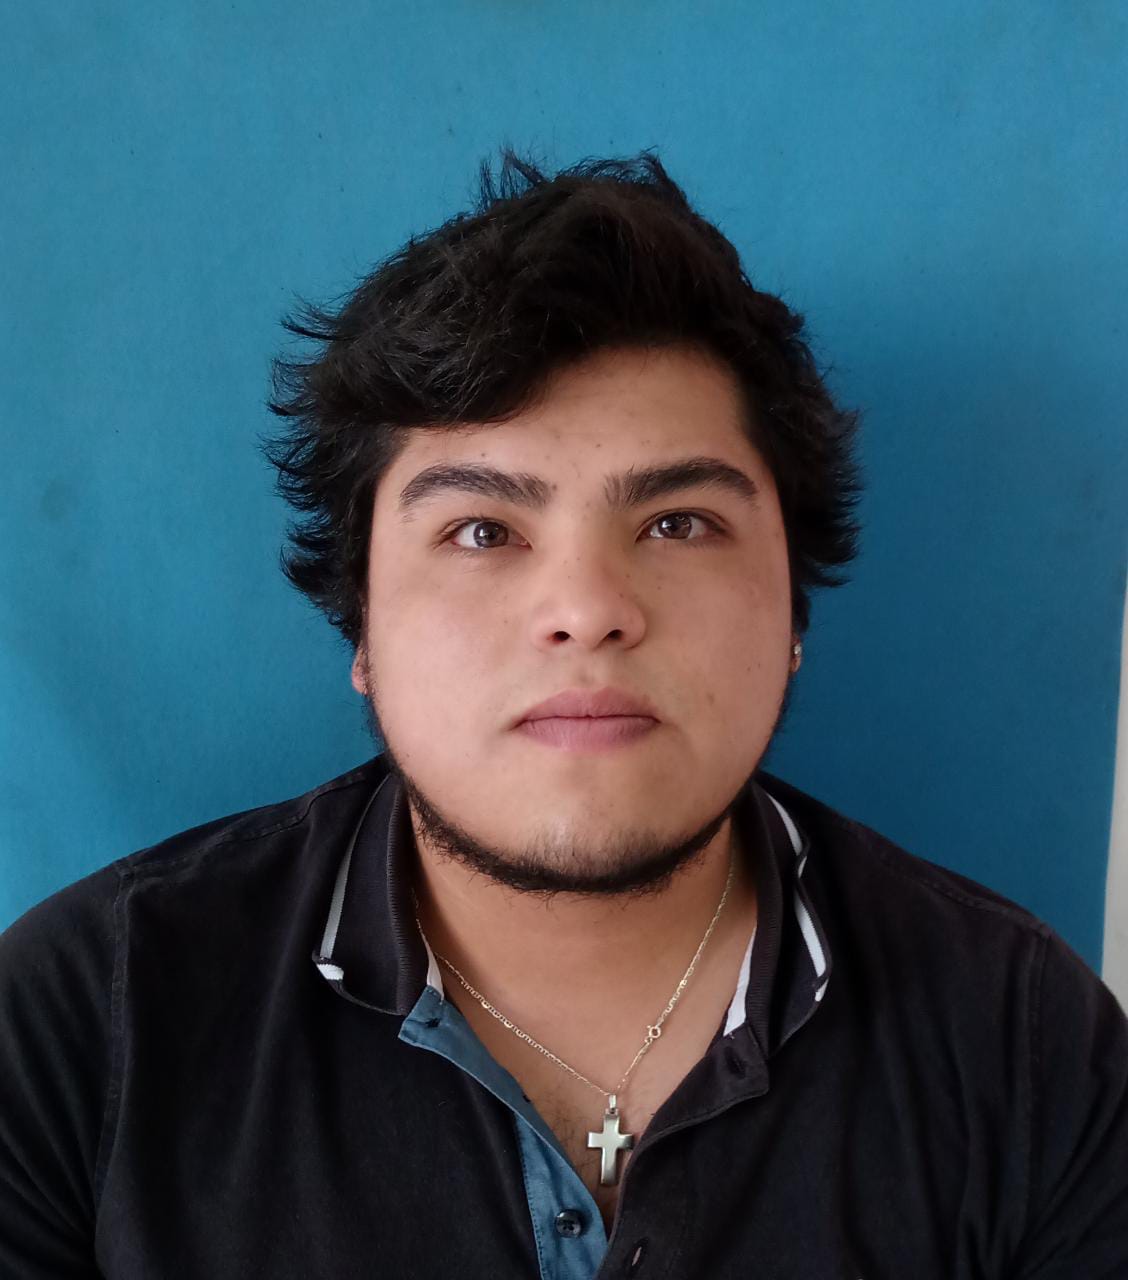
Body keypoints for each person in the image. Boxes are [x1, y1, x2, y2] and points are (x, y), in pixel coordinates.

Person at [1, 149, 1125, 1280]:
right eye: (482, 531)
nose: (588, 610)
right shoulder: (82, 1028)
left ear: (794, 612)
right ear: (362, 630)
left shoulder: (1029, 1047)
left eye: (679, 524)